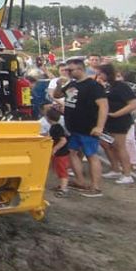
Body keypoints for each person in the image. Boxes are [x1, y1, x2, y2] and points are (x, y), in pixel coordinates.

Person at [51, 57, 108, 197]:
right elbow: (57, 94)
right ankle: (80, 181)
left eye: (70, 70)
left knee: (91, 155)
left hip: (88, 127)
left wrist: (99, 127)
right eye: (66, 70)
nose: (67, 72)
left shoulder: (93, 86)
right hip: (73, 127)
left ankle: (95, 187)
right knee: (71, 152)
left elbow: (103, 106)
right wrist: (59, 84)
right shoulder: (72, 84)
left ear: (80, 69)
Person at [97, 63, 136, 185]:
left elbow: (133, 104)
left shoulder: (121, 86)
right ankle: (115, 169)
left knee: (120, 146)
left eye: (101, 73)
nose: (99, 75)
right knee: (109, 144)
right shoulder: (107, 86)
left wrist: (116, 114)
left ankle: (127, 174)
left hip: (120, 120)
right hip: (109, 120)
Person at [44, 107, 71, 197]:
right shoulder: (54, 127)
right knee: (59, 170)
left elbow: (63, 140)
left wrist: (55, 149)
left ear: (48, 118)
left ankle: (64, 188)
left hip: (61, 154)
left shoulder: (57, 128)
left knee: (62, 170)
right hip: (59, 153)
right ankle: (62, 186)